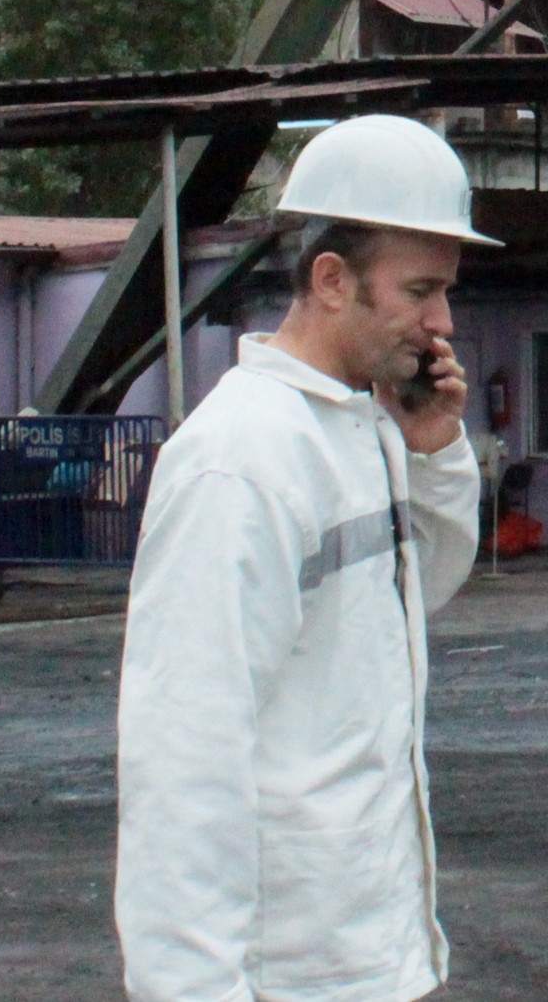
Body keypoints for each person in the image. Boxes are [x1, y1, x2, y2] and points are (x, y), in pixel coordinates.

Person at [116, 112, 502, 1002]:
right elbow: (184, 756)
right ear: (332, 280)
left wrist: (436, 450)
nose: (441, 321)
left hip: (372, 953)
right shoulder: (242, 461)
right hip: (288, 974)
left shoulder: (358, 426)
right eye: (419, 290)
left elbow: (417, 596)